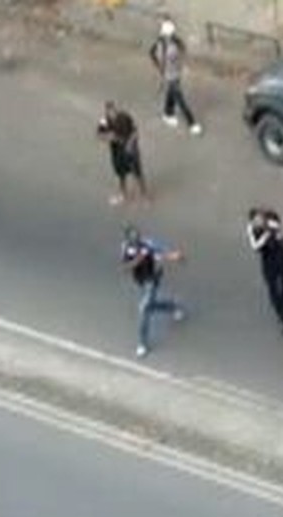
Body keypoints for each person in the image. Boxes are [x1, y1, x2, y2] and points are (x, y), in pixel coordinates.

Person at [120, 225, 186, 358]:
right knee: (151, 306)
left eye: (138, 237)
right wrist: (137, 260)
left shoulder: (148, 244)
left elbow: (161, 253)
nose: (137, 240)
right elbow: (125, 267)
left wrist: (174, 256)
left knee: (143, 309)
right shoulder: (126, 249)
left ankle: (142, 344)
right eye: (133, 239)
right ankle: (174, 307)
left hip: (152, 279)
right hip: (140, 280)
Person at [149, 17, 202, 136]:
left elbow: (178, 54)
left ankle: (168, 113)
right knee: (180, 99)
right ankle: (192, 123)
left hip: (174, 74)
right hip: (170, 76)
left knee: (171, 94)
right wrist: (161, 68)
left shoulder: (170, 44)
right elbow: (156, 55)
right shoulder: (163, 46)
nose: (172, 36)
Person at [247, 207, 283, 335]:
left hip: (280, 254)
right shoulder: (251, 229)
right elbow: (255, 246)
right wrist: (266, 236)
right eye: (256, 220)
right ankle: (282, 317)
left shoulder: (271, 223)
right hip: (268, 259)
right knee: (272, 287)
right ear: (252, 221)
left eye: (260, 219)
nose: (259, 222)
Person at [97, 101, 148, 207]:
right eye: (108, 111)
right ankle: (123, 195)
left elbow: (135, 131)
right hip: (116, 151)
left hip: (131, 149)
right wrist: (107, 137)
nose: (111, 113)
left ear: (115, 109)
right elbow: (99, 134)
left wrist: (130, 144)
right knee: (121, 174)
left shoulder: (124, 116)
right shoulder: (104, 120)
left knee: (137, 173)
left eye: (112, 111)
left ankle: (144, 197)